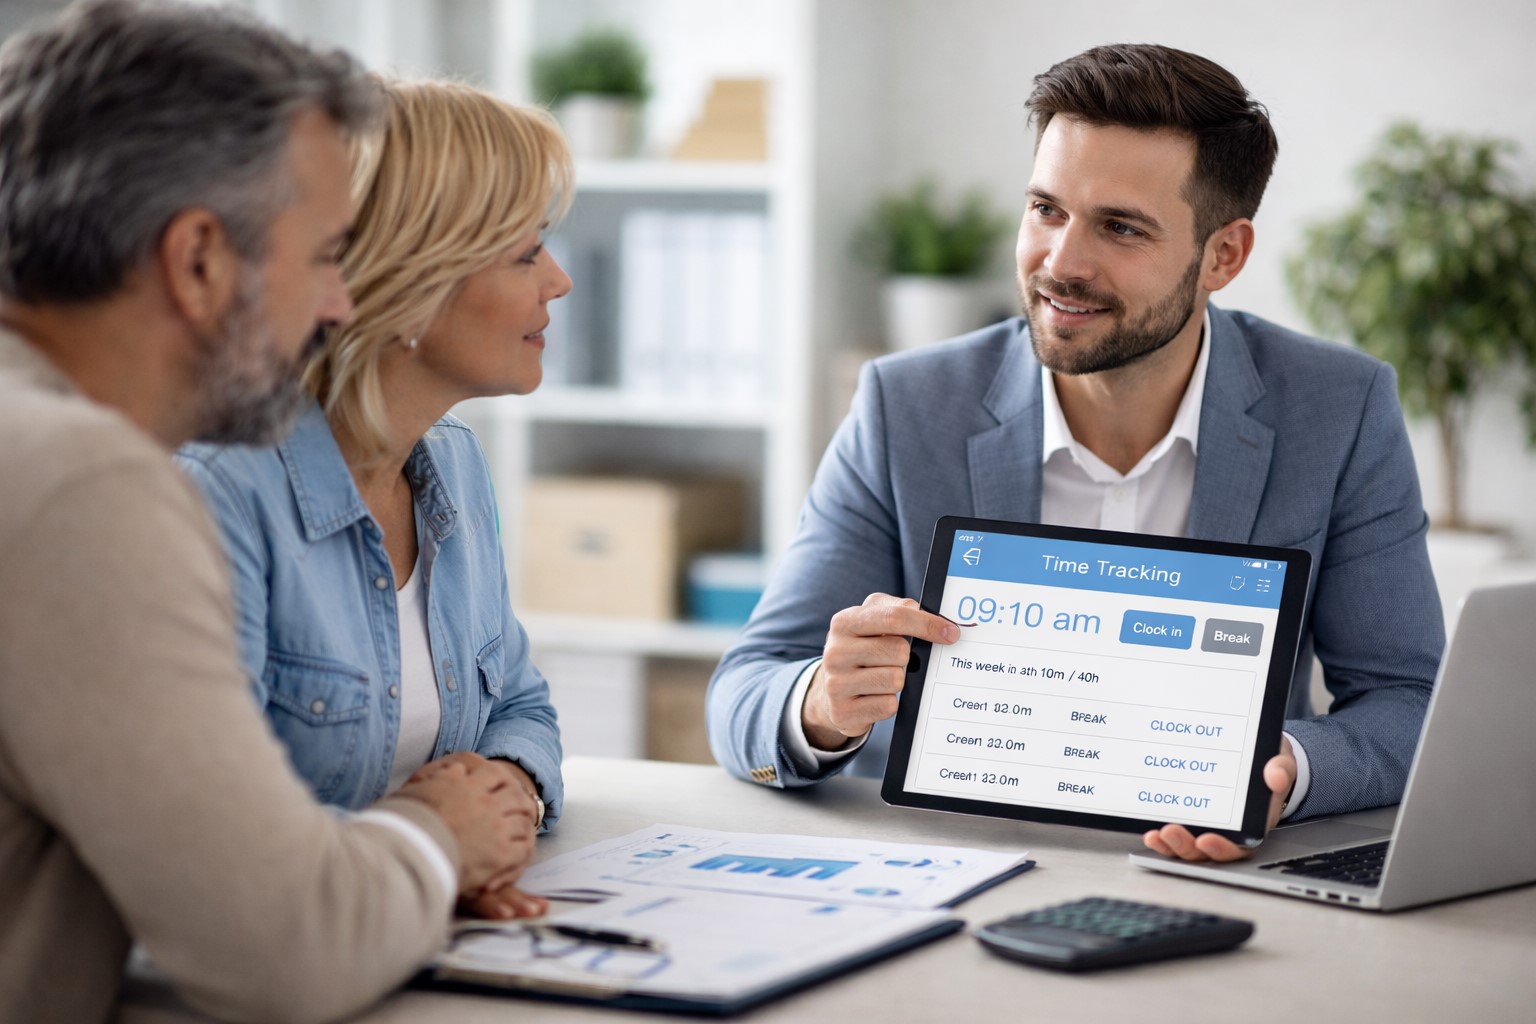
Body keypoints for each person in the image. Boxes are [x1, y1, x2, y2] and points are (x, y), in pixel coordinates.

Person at [706, 43, 1444, 862]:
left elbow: (1411, 702)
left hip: (1205, 885)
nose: (1061, 264)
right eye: (1046, 210)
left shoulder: (1339, 409)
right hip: (940, 863)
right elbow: (744, 693)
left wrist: (1283, 772)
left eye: (1120, 227)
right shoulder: (905, 406)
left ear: (1224, 256)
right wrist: (819, 704)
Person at [0, 3, 539, 1022]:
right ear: (200, 260)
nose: (339, 307)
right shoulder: (79, 483)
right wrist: (438, 828)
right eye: (326, 254)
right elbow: (295, 945)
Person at [177, 77, 570, 922]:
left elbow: (520, 703)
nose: (561, 281)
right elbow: (214, 841)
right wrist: (434, 838)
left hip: (416, 938)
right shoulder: (216, 493)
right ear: (410, 288)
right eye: (526, 253)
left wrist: (510, 790)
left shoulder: (451, 465)